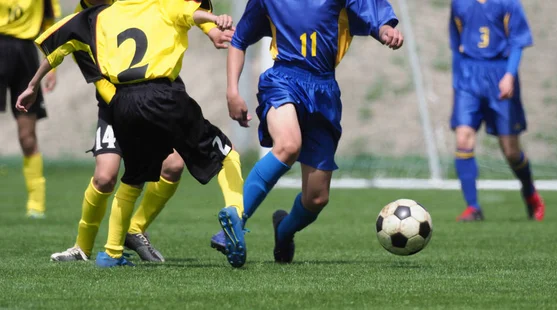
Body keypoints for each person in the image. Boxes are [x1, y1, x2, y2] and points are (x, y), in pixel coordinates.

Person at [17, 0, 245, 268]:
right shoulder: (91, 18)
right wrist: (213, 22)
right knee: (106, 177)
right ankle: (83, 247)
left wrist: (211, 30)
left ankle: (120, 243)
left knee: (159, 169)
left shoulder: (103, 15)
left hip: (128, 100)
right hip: (125, 99)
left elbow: (184, 11)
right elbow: (187, 11)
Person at [217, 0, 403, 263]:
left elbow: (373, 14)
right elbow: (239, 40)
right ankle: (234, 221)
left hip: (324, 92)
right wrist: (232, 91)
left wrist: (385, 30)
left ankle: (284, 231)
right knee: (288, 145)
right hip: (283, 79)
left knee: (316, 198)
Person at [449, 0, 545, 222]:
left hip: (500, 73)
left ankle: (530, 193)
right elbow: (456, 45)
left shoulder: (508, 3)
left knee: (511, 150)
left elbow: (518, 41)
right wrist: (456, 81)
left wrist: (510, 74)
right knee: (463, 139)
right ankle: (473, 207)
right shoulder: (459, 4)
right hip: (468, 76)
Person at [0, 0, 61, 219]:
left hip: (25, 53)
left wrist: (51, 67)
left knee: (27, 136)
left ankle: (36, 204)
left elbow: (49, 23)